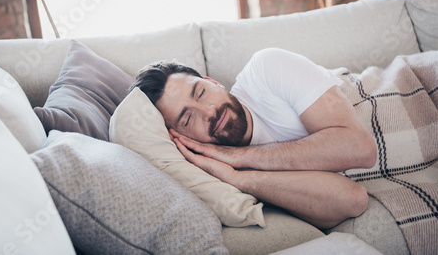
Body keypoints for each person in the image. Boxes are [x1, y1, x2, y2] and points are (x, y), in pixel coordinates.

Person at [130, 48, 377, 229]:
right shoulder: (215, 173)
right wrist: (238, 177)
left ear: (212, 81)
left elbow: (361, 149)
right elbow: (352, 199)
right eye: (187, 119)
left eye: (201, 93)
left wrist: (241, 156)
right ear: (180, 138)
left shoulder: (266, 67)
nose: (208, 112)